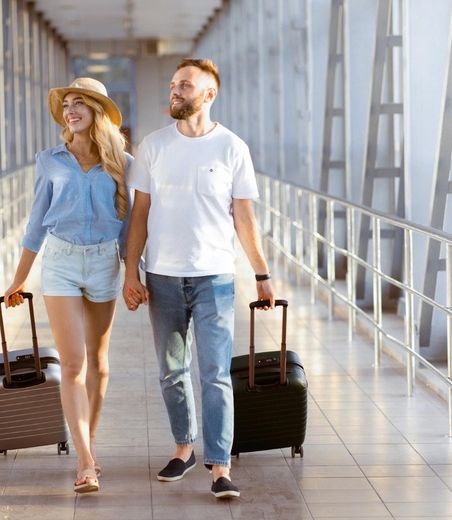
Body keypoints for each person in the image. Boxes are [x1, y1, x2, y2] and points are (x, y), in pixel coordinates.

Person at [123, 58, 275, 499]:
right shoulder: (153, 146)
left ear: (209, 95)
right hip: (163, 278)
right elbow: (140, 215)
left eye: (185, 86)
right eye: (173, 85)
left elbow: (244, 218)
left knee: (214, 373)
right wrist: (130, 271)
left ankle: (220, 466)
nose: (175, 91)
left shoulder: (232, 148)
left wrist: (261, 274)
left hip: (215, 278)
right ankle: (184, 448)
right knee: (172, 372)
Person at [3, 77, 131, 494]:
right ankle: (85, 461)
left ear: (97, 112)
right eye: (67, 104)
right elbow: (36, 222)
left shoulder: (123, 163)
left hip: (104, 264)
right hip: (59, 262)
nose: (70, 110)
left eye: (80, 103)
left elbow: (130, 225)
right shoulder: (49, 160)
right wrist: (19, 280)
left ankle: (87, 443)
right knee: (72, 365)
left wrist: (134, 274)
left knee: (99, 363)